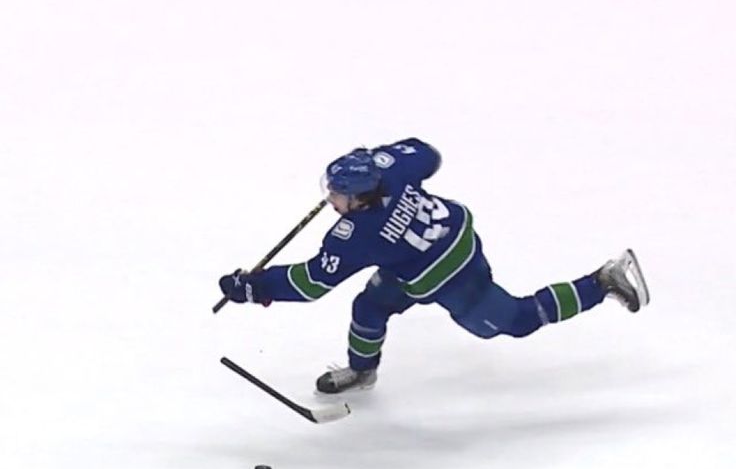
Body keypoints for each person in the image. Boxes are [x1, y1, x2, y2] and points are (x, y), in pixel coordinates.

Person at [219, 138, 650, 394]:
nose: (330, 199)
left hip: (450, 275)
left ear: (356, 198)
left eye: (336, 195)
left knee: (515, 320)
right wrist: (382, 157)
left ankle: (601, 281)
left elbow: (311, 282)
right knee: (369, 308)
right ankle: (362, 370)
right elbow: (428, 154)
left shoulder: (355, 237)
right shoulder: (392, 172)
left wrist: (254, 287)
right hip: (438, 247)